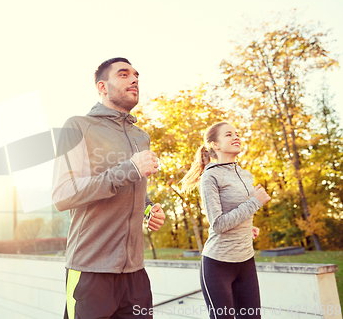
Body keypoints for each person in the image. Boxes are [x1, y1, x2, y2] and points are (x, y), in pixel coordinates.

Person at [52, 57, 166, 319]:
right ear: (102, 87)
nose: (134, 79)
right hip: (91, 271)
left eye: (136, 75)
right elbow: (63, 193)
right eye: (124, 74)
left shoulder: (141, 136)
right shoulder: (78, 126)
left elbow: (132, 188)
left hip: (135, 274)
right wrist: (130, 169)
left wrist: (148, 210)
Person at [180, 121, 271, 319]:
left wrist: (248, 227)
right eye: (229, 134)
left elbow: (239, 213)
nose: (236, 137)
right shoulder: (210, 177)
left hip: (246, 261)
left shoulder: (247, 176)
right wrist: (255, 202)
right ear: (215, 145)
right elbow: (219, 224)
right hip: (218, 265)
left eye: (237, 133)